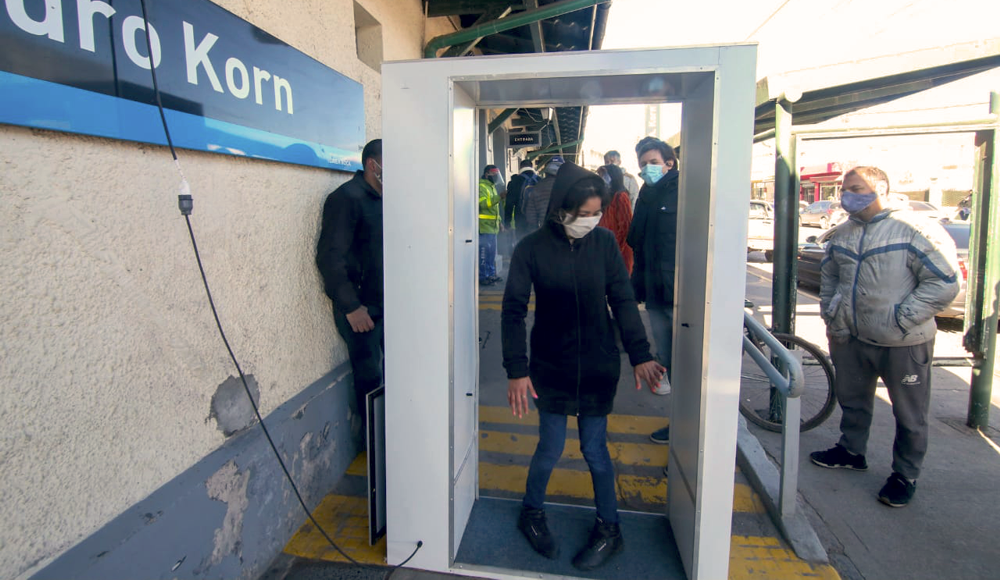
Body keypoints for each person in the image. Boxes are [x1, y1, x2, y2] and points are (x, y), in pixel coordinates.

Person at [502, 161, 665, 571]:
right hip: (549, 365)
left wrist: (641, 353)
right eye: (584, 214)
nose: (590, 221)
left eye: (596, 213)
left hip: (597, 363)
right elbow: (512, 312)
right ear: (562, 208)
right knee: (550, 447)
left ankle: (610, 528)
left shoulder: (606, 243)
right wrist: (516, 370)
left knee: (595, 450)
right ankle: (532, 513)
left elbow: (623, 301)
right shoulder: (531, 249)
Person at [810, 166, 959, 508]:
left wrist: (901, 318)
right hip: (850, 336)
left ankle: (905, 474)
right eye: (845, 188)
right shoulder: (843, 233)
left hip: (903, 342)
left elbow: (944, 283)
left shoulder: (914, 229)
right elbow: (829, 275)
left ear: (881, 189)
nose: (847, 195)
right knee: (853, 399)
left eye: (856, 188)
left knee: (909, 413)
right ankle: (851, 451)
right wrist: (832, 313)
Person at [316, 139, 385, 436]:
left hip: (390, 303)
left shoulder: (389, 198)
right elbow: (330, 258)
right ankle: (375, 451)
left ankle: (398, 446)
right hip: (362, 309)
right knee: (370, 378)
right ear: (373, 164)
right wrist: (352, 307)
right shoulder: (346, 199)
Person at [627, 137, 679, 447]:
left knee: (685, 361)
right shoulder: (647, 193)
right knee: (669, 355)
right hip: (655, 291)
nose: (647, 168)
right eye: (643, 163)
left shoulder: (683, 191)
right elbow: (636, 238)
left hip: (679, 291)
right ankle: (679, 422)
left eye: (653, 162)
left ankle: (685, 427)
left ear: (669, 163)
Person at [597, 164, 634, 274]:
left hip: (619, 251)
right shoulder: (608, 196)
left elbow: (626, 227)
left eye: (604, 175)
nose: (602, 178)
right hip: (608, 248)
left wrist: (615, 249)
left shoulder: (621, 196)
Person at [522, 156, 564, 234]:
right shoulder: (568, 186)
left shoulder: (538, 187)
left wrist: (534, 232)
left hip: (545, 232)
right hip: (565, 233)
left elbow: (531, 214)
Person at [479, 165, 503, 286]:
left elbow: (494, 209)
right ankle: (483, 276)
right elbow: (483, 204)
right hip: (484, 227)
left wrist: (500, 222)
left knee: (491, 254)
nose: (496, 177)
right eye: (494, 175)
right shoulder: (481, 186)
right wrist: (499, 197)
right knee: (484, 253)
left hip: (493, 227)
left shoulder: (491, 187)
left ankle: (491, 274)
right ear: (487, 174)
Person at [504, 159, 539, 242]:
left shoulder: (514, 181)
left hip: (520, 219)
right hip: (537, 220)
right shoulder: (540, 180)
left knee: (521, 243)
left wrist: (507, 224)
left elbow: (509, 204)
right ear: (532, 167)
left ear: (520, 167)